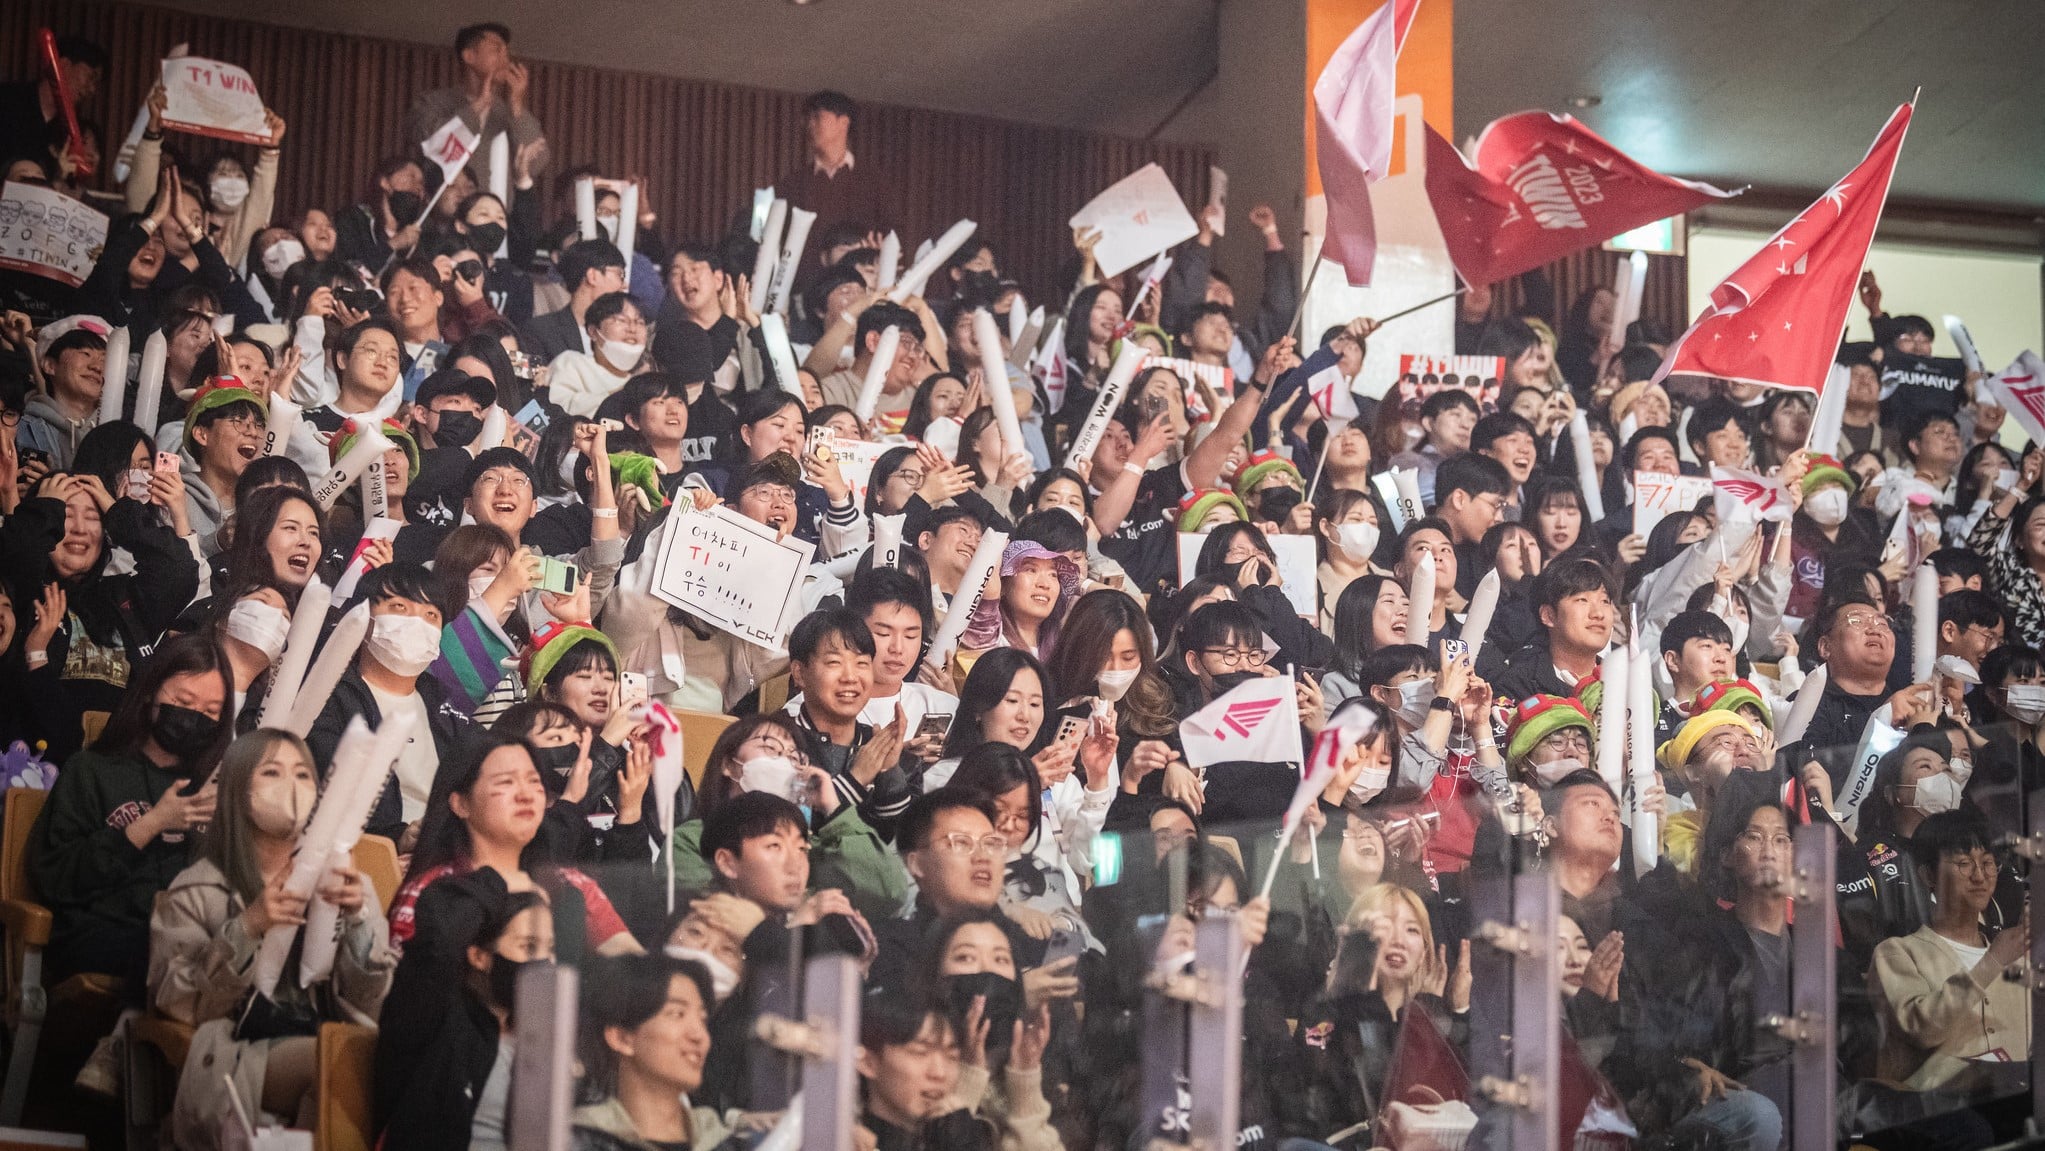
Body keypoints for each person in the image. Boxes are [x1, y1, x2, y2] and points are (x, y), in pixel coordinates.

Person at [149, 729, 393, 1149]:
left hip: (330, 1034)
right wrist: (248, 926)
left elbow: (372, 1004)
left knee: (399, 1061)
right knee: (331, 1063)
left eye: (303, 774)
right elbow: (177, 999)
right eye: (272, 773)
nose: (292, 787)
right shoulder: (199, 887)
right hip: (235, 1049)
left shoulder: (347, 881)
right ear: (238, 791)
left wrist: (358, 919)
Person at [389, 729, 638, 957]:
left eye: (534, 781)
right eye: (506, 782)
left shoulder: (568, 883)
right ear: (461, 804)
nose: (526, 795)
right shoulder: (430, 892)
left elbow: (630, 962)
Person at [375, 869, 556, 1151]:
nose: (545, 962)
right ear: (479, 955)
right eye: (529, 947)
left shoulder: (543, 1032)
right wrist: (500, 881)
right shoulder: (434, 1017)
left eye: (550, 948)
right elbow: (438, 939)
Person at [1869, 810, 2031, 1094]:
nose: (1980, 876)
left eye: (1988, 863)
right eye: (1964, 864)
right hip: (1937, 1107)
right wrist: (1993, 961)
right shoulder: (1897, 953)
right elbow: (1920, 1028)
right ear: (1928, 875)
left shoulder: (2017, 956)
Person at [304, 563, 470, 839]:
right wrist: (399, 838)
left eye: (431, 615)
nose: (417, 623)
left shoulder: (445, 706)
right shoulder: (327, 700)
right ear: (363, 619)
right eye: (399, 608)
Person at [571, 955, 733, 1151]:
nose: (700, 1035)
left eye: (702, 1019)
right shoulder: (575, 1142)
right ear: (622, 1038)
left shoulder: (726, 1142)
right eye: (677, 1014)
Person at [402, 23, 548, 189]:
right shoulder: (433, 102)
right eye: (496, 50)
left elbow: (537, 164)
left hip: (496, 204)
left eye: (507, 53)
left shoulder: (507, 112)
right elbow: (432, 145)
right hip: (445, 203)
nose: (506, 59)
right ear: (469, 56)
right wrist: (478, 106)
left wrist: (516, 106)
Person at [775, 91, 889, 283]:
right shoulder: (792, 184)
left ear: (843, 122)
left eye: (817, 117)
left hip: (861, 286)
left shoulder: (875, 181)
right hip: (806, 288)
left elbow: (891, 233)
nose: (809, 124)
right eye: (808, 118)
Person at [522, 239, 626, 363]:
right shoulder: (539, 331)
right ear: (593, 276)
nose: (624, 285)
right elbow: (530, 372)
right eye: (620, 275)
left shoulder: (621, 333)